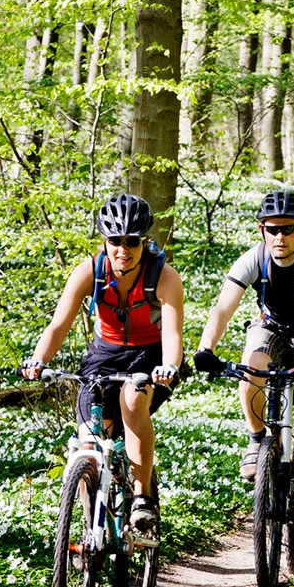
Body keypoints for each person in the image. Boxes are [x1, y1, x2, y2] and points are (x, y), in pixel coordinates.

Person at [192, 189, 294, 562]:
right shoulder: (255, 258)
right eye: (271, 230)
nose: (279, 237)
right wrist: (206, 348)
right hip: (271, 329)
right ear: (262, 230)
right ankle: (256, 441)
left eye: (287, 229)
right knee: (252, 364)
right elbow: (223, 307)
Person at [22, 194, 183, 544]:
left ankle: (142, 500)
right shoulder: (90, 271)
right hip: (103, 354)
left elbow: (172, 333)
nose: (123, 249)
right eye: (115, 241)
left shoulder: (164, 276)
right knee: (87, 445)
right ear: (104, 241)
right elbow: (57, 326)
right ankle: (88, 523)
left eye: (131, 242)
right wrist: (39, 360)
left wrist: (169, 366)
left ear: (144, 242)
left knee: (131, 402)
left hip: (150, 355)